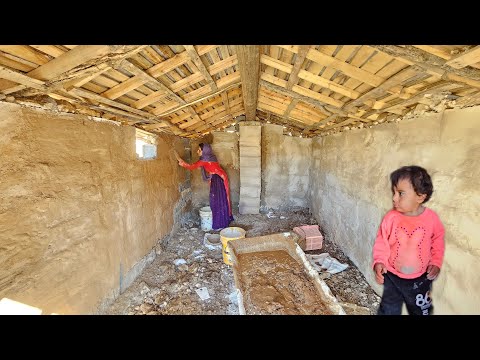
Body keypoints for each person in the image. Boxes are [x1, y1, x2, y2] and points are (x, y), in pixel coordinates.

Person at [372, 165, 445, 315]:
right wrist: (379, 261)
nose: (394, 198)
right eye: (394, 192)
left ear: (420, 196)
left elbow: (438, 240)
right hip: (392, 276)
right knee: (388, 309)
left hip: (420, 279)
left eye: (400, 193)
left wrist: (436, 262)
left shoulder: (431, 219)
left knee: (421, 310)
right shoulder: (391, 217)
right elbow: (382, 241)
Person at [176, 143, 234, 231]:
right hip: (220, 178)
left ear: (205, 151)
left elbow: (192, 167)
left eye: (199, 150)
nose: (197, 151)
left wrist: (181, 161)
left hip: (217, 180)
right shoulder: (211, 157)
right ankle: (223, 221)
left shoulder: (204, 160)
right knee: (222, 199)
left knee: (216, 201)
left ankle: (220, 223)